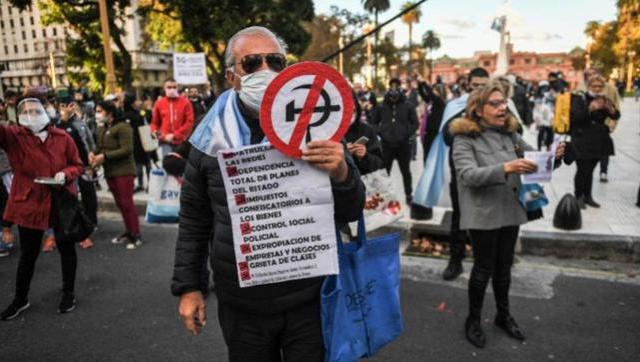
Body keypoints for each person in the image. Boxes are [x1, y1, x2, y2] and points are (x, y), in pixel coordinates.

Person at [172, 26, 365, 361]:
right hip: (242, 305)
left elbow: (351, 210)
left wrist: (342, 172)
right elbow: (193, 218)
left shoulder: (317, 124)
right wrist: (190, 287)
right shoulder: (208, 137)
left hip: (308, 297)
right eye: (252, 63)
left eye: (274, 61)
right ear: (232, 75)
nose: (265, 70)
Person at [450, 80, 565, 348]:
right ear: (478, 109)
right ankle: (474, 319)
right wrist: (507, 167)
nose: (503, 108)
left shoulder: (511, 134)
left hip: (511, 210)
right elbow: (468, 176)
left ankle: (503, 315)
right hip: (483, 214)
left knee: (504, 269)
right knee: (483, 269)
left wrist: (553, 157)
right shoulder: (464, 139)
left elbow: (535, 165)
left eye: (504, 103)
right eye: (495, 103)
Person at [0, 94, 84, 320]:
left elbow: (77, 165)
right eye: (25, 111)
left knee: (66, 247)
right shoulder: (14, 137)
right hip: (29, 203)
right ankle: (20, 299)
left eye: (36, 110)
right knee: (28, 253)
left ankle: (69, 293)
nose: (32, 115)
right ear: (18, 116)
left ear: (46, 111)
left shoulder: (63, 137)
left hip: (60, 200)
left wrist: (64, 175)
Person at [90, 101, 142, 249]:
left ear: (109, 113)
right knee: (120, 204)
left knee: (127, 203)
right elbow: (99, 147)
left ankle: (136, 234)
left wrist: (104, 156)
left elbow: (127, 149)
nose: (97, 114)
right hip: (110, 171)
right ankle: (128, 231)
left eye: (100, 111)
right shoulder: (102, 129)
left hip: (124, 171)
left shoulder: (123, 127)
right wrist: (93, 154)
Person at [569, 75, 620, 208]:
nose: (597, 89)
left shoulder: (604, 99)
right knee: (582, 169)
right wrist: (590, 109)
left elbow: (615, 115)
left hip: (599, 140)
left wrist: (611, 109)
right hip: (582, 140)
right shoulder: (579, 99)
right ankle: (578, 196)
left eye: (600, 86)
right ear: (588, 86)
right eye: (594, 86)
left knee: (590, 170)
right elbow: (575, 118)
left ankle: (588, 196)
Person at [371, 78, 419, 204]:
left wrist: (406, 133)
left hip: (403, 144)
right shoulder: (381, 106)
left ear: (399, 88)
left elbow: (415, 123)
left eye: (396, 86)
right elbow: (374, 122)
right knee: (385, 171)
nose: (394, 89)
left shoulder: (408, 105)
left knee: (406, 171)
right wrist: (381, 132)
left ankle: (408, 195)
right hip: (386, 144)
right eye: (392, 86)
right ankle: (383, 196)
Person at [57, 99, 97, 249]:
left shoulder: (80, 122)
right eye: (66, 105)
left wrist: (91, 156)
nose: (69, 108)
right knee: (73, 200)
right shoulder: (57, 123)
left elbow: (88, 142)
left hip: (84, 166)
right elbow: (57, 141)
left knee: (89, 197)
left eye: (72, 105)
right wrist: (64, 119)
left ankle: (90, 226)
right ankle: (78, 232)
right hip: (68, 169)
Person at [151, 78, 195, 156]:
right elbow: (154, 124)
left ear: (177, 88)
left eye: (174, 87)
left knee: (181, 165)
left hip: (182, 141)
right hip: (165, 142)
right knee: (168, 164)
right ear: (164, 88)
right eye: (169, 87)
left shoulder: (185, 103)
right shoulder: (159, 103)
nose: (172, 89)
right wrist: (161, 136)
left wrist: (175, 135)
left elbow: (189, 122)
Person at [344, 92, 384, 176]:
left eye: (353, 111)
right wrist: (343, 154)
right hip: (336, 186)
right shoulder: (327, 132)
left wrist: (365, 156)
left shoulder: (366, 130)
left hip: (363, 184)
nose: (350, 115)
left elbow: (379, 163)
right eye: (346, 111)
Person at [122, 93, 152, 192]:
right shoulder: (137, 113)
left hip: (133, 143)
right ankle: (150, 183)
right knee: (146, 163)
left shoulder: (124, 114)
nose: (138, 102)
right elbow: (146, 118)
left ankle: (140, 184)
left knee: (138, 163)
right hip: (142, 141)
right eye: (136, 101)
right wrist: (148, 109)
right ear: (132, 103)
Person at [533, 80, 555, 151]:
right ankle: (539, 148)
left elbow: (554, 103)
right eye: (543, 87)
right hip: (542, 115)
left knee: (550, 133)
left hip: (550, 115)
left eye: (546, 87)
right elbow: (537, 106)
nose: (544, 89)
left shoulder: (551, 94)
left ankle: (548, 147)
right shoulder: (539, 96)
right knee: (542, 132)